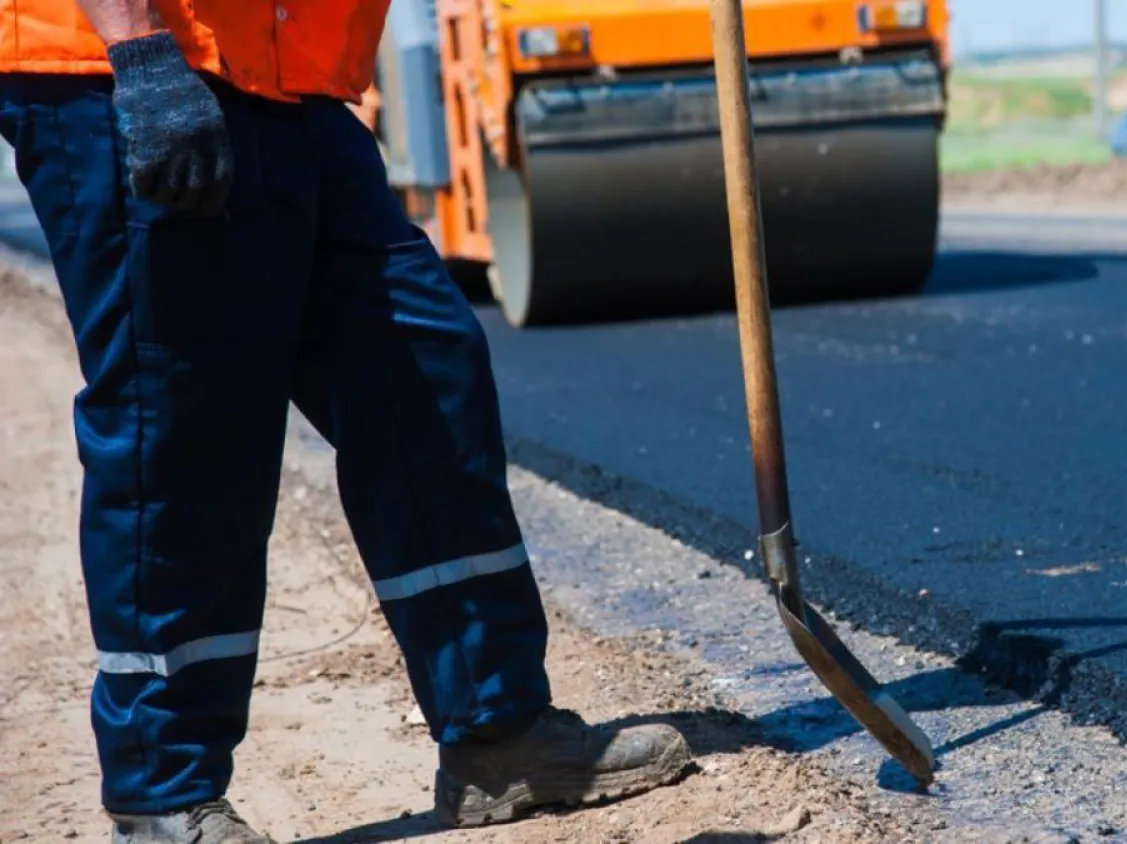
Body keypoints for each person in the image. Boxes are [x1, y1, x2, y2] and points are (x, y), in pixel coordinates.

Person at [0, 3, 692, 841]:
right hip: (132, 67)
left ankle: (496, 733)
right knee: (183, 426)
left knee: (421, 375)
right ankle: (161, 792)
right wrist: (142, 55)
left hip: (293, 79)